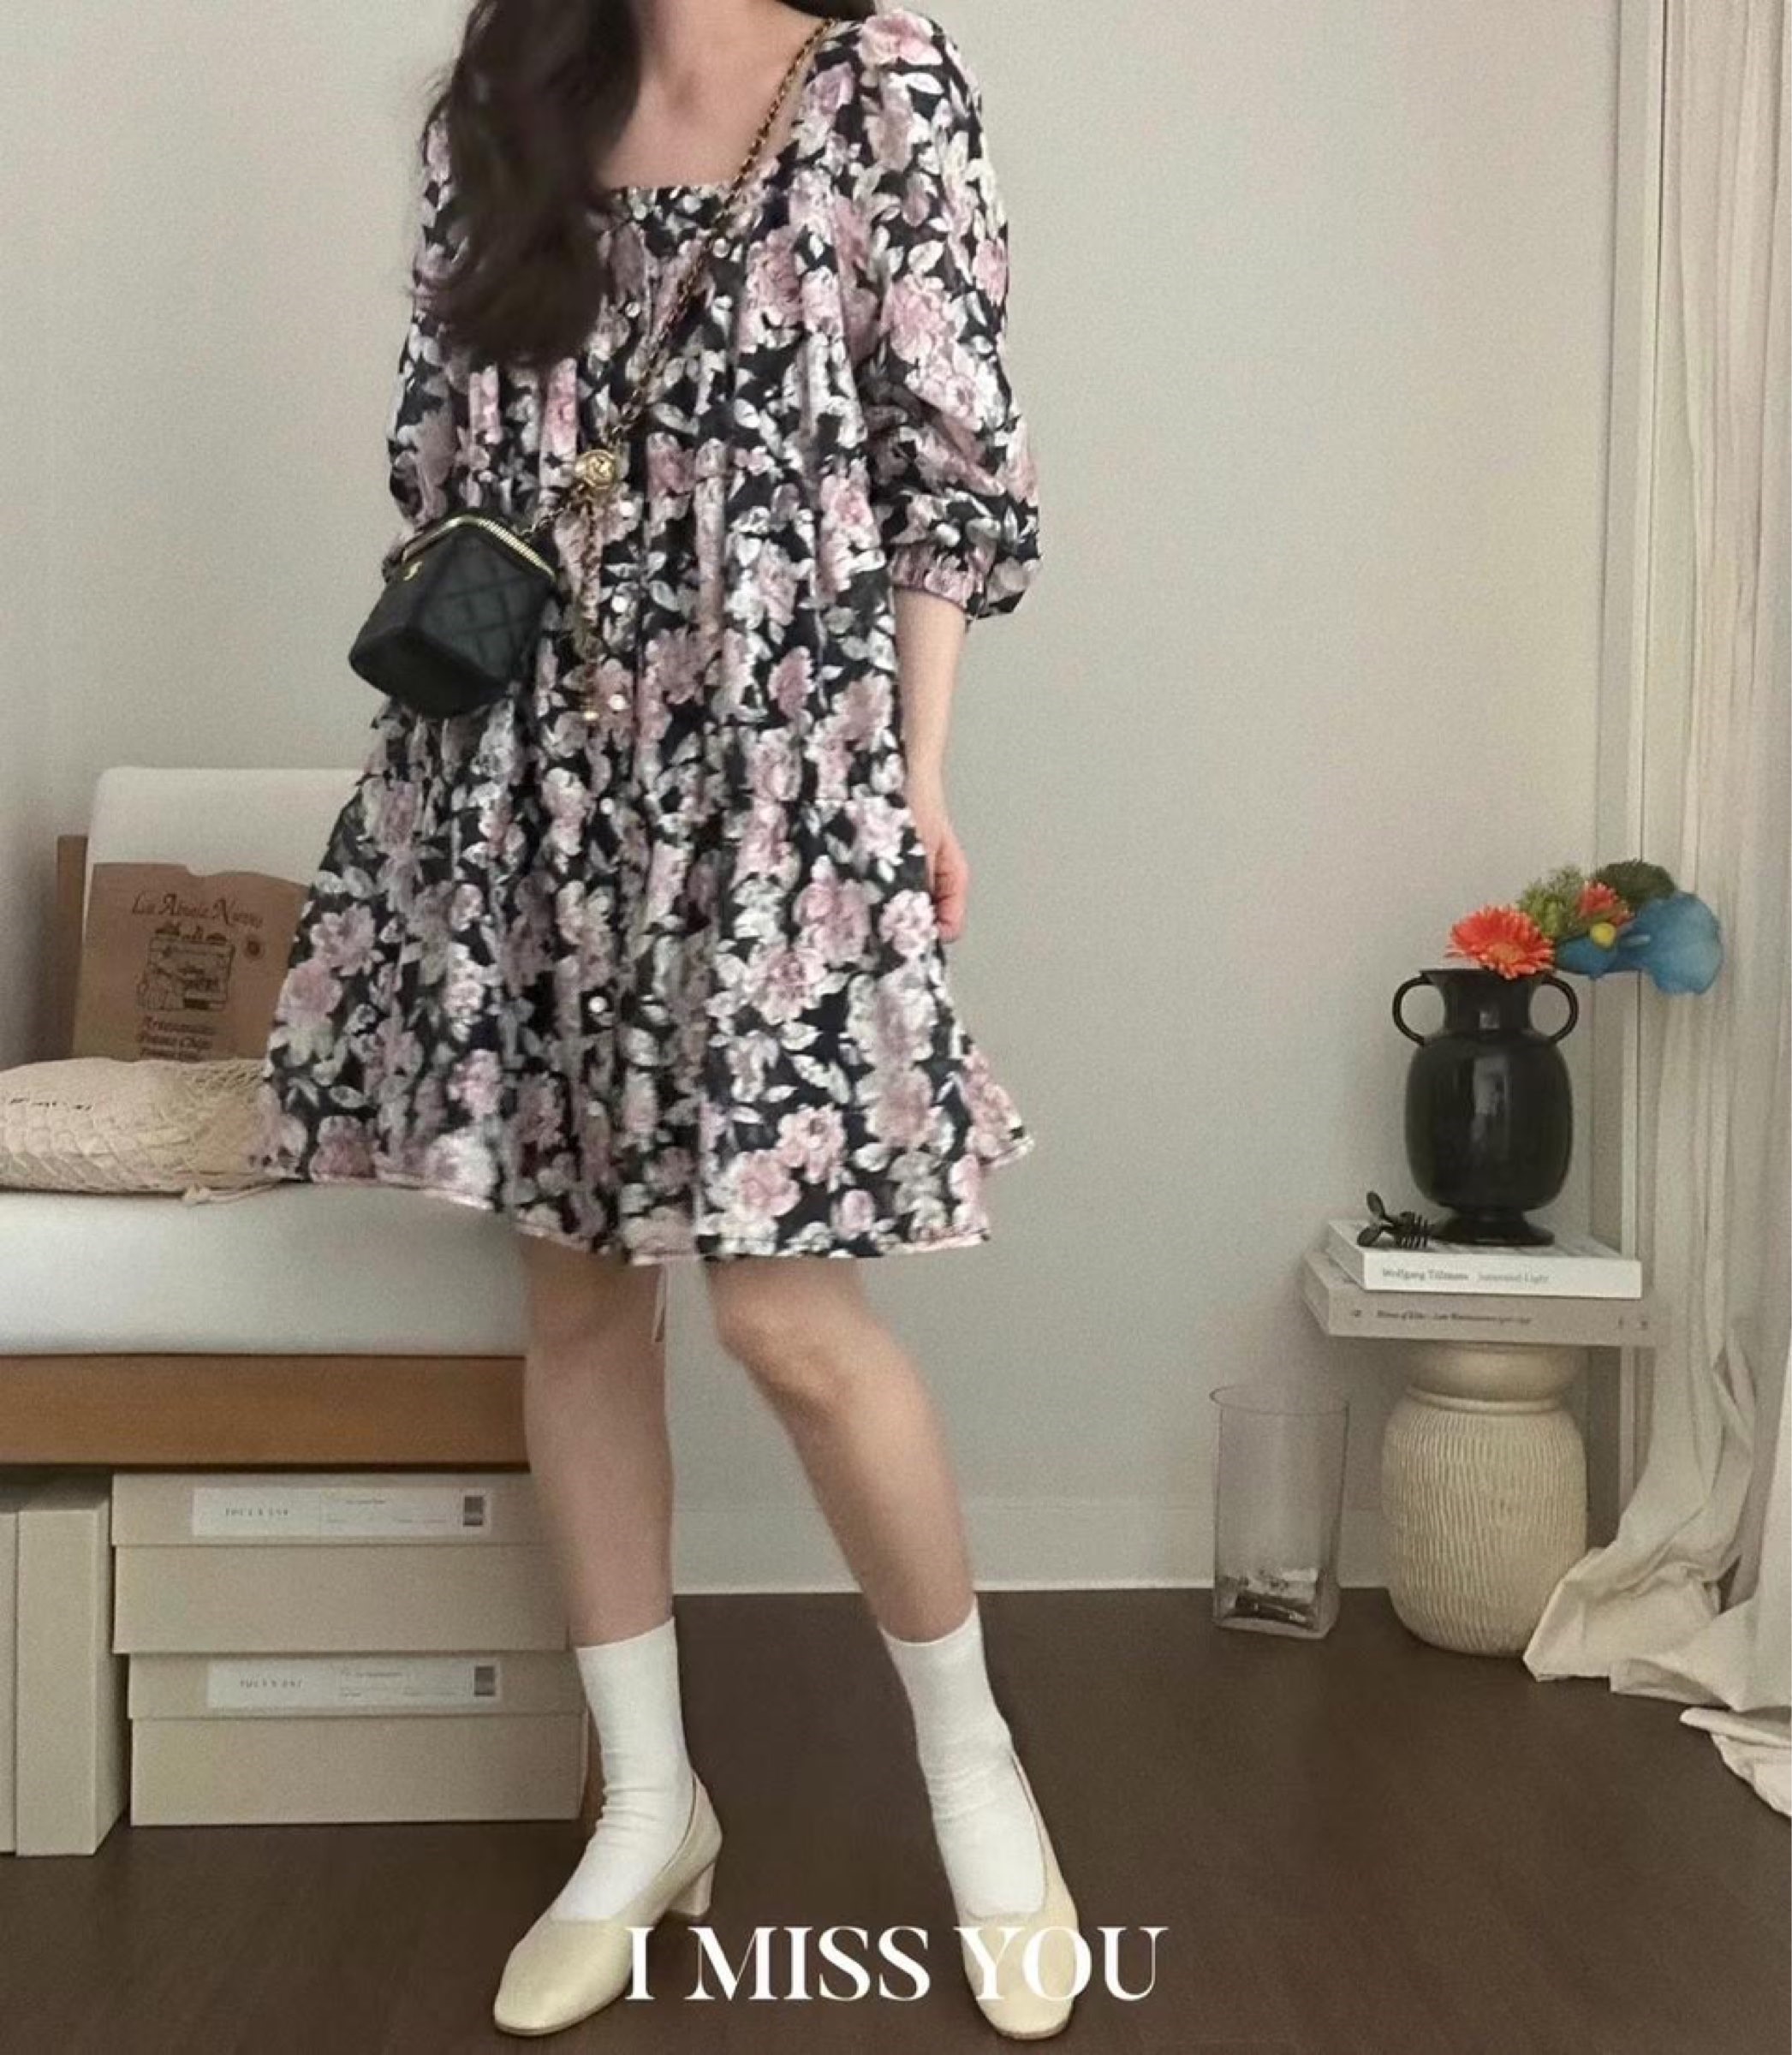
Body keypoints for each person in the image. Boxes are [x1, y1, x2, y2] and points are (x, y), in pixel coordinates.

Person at [253, 0, 1077, 2037]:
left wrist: (914, 777)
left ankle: (977, 1771)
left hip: (777, 768)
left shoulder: (883, 83)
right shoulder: (516, 91)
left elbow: (949, 468)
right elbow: (435, 459)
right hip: (526, 774)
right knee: (575, 1307)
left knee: (790, 1320)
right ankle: (646, 1806)